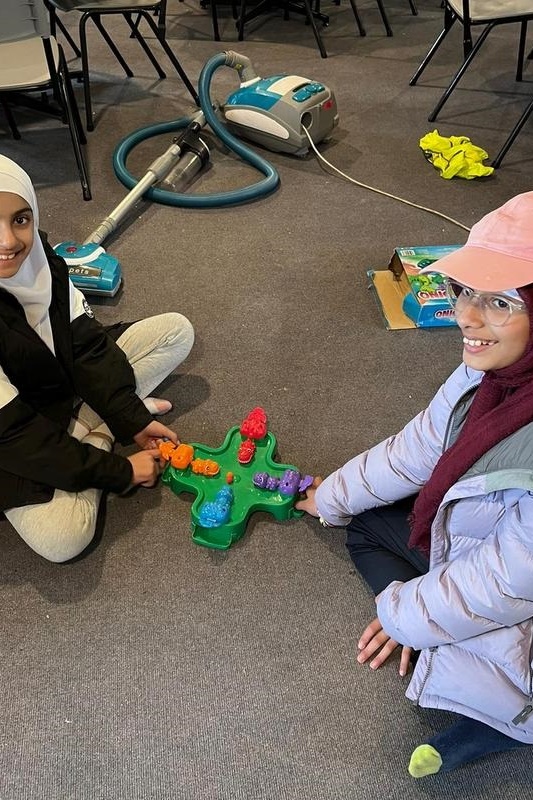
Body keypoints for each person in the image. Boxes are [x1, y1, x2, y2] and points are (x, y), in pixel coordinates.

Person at [296, 191, 533, 777]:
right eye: (465, 291)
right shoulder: (487, 370)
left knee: (498, 654)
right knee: (369, 528)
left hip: (521, 577)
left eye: (499, 301)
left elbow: (507, 581)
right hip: (503, 552)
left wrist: (403, 615)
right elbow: (416, 450)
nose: (467, 317)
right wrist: (331, 498)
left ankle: (506, 726)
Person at [0, 155, 194, 563]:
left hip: (51, 385)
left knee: (176, 332)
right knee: (62, 540)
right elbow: (16, 438)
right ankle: (94, 433)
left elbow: (86, 345)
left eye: (20, 220)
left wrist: (133, 419)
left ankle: (88, 426)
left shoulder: (43, 260)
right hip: (10, 437)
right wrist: (119, 470)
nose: (8, 242)